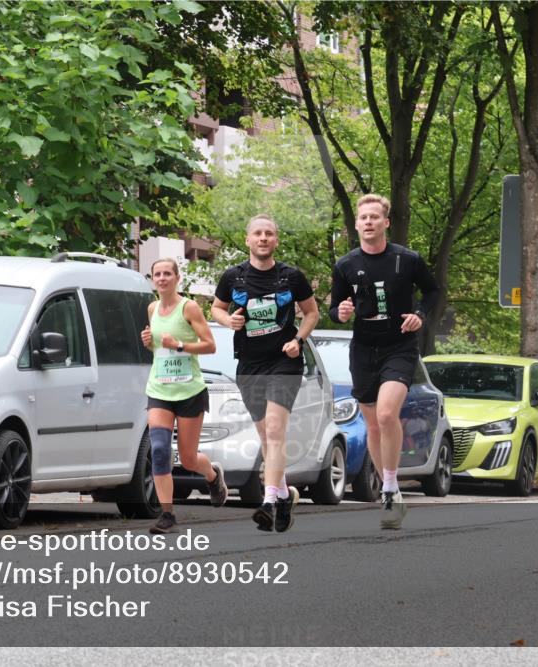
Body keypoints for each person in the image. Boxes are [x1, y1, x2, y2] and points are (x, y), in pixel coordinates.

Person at [329, 194, 439, 530]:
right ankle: (390, 488)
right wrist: (341, 312)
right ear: (358, 223)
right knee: (372, 425)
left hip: (399, 347)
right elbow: (335, 309)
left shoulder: (406, 260)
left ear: (386, 223)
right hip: (363, 349)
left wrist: (420, 315)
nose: (368, 222)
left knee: (388, 413)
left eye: (374, 217)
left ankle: (390, 487)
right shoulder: (346, 265)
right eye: (363, 218)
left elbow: (433, 291)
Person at [210, 215, 319, 532]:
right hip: (249, 365)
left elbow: (312, 313)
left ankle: (269, 501)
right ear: (248, 240)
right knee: (265, 436)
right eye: (257, 233)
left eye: (269, 234)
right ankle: (284, 495)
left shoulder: (291, 277)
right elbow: (216, 308)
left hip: (284, 362)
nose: (263, 238)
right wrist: (227, 320)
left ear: (276, 240)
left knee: (274, 430)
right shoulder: (233, 277)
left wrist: (298, 340)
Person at [141, 258, 227, 534]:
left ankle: (212, 477)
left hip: (189, 390)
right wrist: (149, 343)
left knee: (188, 459)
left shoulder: (188, 307)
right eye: (158, 274)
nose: (162, 278)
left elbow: (210, 346)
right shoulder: (152, 308)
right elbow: (158, 349)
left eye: (168, 273)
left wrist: (178, 345)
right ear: (153, 279)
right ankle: (167, 514)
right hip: (159, 389)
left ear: (177, 278)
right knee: (160, 449)